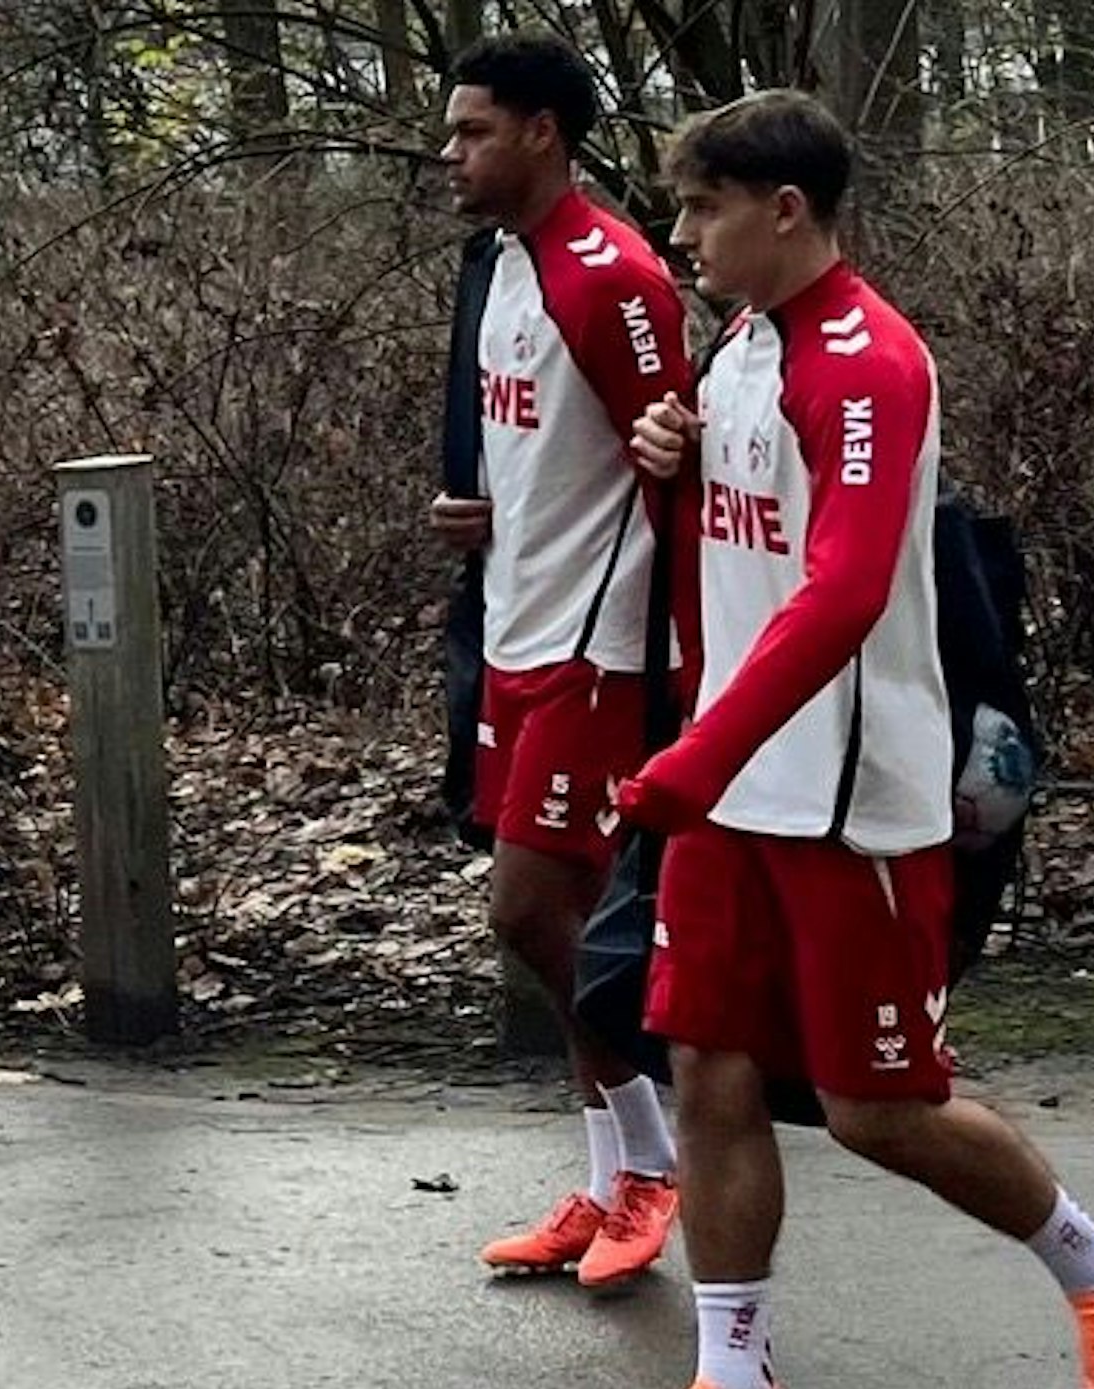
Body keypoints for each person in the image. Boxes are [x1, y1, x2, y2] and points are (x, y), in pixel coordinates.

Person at [570, 91, 1094, 1389]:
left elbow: (839, 595)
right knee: (705, 1060)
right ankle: (732, 1383)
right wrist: (673, 467)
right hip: (731, 794)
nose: (683, 235)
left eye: (704, 208)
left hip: (850, 800)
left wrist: (688, 760)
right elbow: (740, 551)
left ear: (786, 210)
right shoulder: (742, 344)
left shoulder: (871, 362)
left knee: (875, 1104)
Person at [432, 33, 695, 1290]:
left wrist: (679, 649)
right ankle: (608, 1179)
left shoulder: (613, 275)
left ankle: (650, 1165)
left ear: (543, 132)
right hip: (516, 622)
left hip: (603, 640)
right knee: (547, 924)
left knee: (532, 907)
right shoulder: (499, 265)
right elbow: (550, 442)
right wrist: (483, 512)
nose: (450, 152)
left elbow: (678, 458)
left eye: (473, 129)